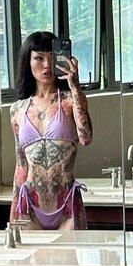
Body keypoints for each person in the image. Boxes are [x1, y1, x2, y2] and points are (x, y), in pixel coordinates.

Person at [9, 31, 93, 230]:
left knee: (70, 250)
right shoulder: (17, 109)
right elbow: (21, 164)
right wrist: (14, 206)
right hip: (30, 202)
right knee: (29, 252)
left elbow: (86, 137)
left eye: (52, 58)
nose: (47, 65)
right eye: (39, 58)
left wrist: (75, 85)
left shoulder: (71, 101)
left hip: (66, 202)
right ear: (28, 62)